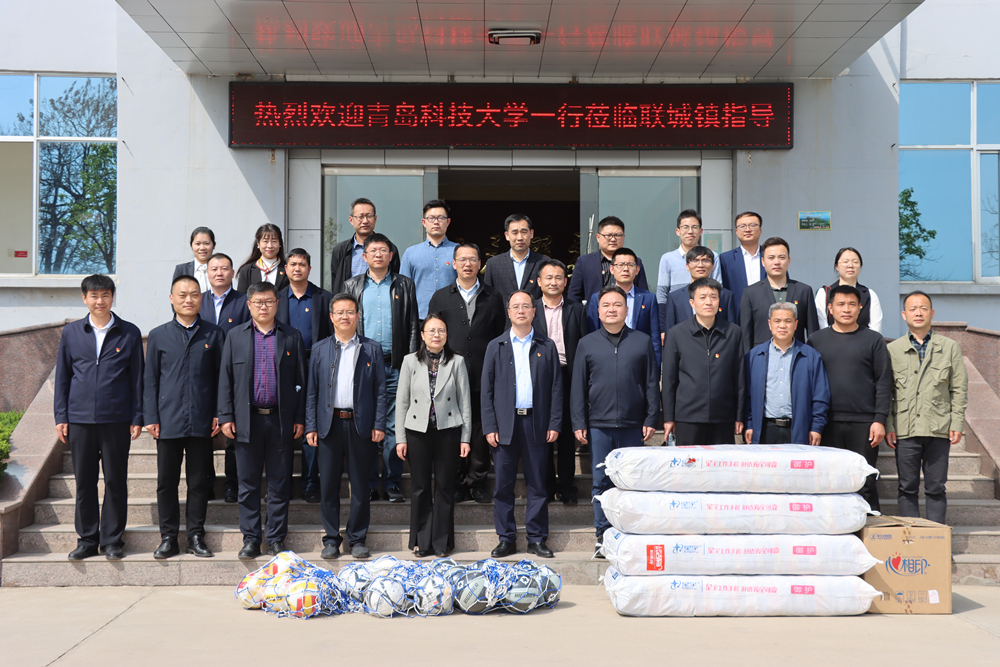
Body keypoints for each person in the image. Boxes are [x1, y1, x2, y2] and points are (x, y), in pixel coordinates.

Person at [54, 275, 144, 561]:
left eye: (105, 295)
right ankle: (87, 540)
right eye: (94, 295)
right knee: (85, 482)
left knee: (115, 481)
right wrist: (61, 416)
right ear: (84, 298)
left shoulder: (129, 332)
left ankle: (112, 540)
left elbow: (137, 379)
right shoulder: (71, 333)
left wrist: (137, 416)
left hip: (116, 419)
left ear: (112, 297)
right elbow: (63, 377)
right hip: (79, 420)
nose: (100, 301)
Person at [218, 282, 306, 560]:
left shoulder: (291, 336)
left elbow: (301, 381)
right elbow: (225, 380)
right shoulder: (235, 336)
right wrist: (226, 416)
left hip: (280, 421)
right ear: (249, 305)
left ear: (277, 304)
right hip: (247, 421)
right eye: (258, 302)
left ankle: (276, 538)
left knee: (280, 483)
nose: (264, 307)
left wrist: (300, 418)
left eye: (269, 301)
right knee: (248, 484)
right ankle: (251, 539)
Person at [572, 286, 659, 556]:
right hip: (599, 425)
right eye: (606, 305)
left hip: (633, 425)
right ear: (598, 311)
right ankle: (602, 534)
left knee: (632, 482)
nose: (612, 309)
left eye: (617, 304)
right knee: (601, 481)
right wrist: (579, 422)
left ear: (627, 309)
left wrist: (651, 417)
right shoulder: (587, 343)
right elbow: (578, 387)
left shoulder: (642, 341)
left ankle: (630, 532)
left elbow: (651, 382)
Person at [144, 275, 224, 559]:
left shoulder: (214, 334)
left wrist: (219, 413)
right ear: (171, 299)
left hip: (202, 420)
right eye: (182, 294)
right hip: (168, 420)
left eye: (194, 294)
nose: (188, 299)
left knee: (199, 482)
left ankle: (195, 536)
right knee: (166, 482)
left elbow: (222, 378)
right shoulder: (159, 335)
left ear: (201, 299)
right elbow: (150, 380)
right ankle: (168, 538)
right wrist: (151, 416)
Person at [305, 293, 388, 560]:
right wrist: (311, 426)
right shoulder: (320, 349)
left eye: (350, 312)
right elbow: (312, 392)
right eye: (339, 312)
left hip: (360, 425)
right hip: (329, 425)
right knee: (329, 486)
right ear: (331, 317)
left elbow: (380, 391)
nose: (345, 317)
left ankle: (358, 538)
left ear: (358, 316)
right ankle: (331, 539)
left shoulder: (371, 349)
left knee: (361, 487)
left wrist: (379, 423)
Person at [482, 291, 562, 559]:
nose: (520, 310)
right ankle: (506, 538)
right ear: (508, 312)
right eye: (515, 306)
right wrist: (489, 426)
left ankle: (536, 539)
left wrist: (554, 422)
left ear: (533, 311)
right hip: (505, 425)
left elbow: (556, 388)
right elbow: (486, 391)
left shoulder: (546, 345)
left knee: (538, 484)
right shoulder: (496, 345)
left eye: (526, 306)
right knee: (503, 486)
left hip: (536, 424)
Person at [428, 243, 507, 504]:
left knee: (480, 430)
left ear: (480, 264)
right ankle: (455, 482)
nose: (467, 264)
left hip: (484, 374)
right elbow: (432, 335)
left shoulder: (493, 296)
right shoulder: (441, 297)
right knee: (452, 429)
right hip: (449, 375)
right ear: (453, 264)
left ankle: (477, 482)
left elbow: (501, 336)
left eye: (472, 259)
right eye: (462, 259)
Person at [343, 233, 419, 503]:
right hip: (362, 366)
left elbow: (413, 325)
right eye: (373, 251)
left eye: (383, 250)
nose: (378, 255)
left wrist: (410, 363)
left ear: (391, 255)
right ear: (364, 256)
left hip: (395, 365)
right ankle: (367, 484)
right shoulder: (352, 285)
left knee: (394, 427)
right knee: (363, 425)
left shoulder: (404, 284)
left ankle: (392, 483)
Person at [807, 284, 891, 512]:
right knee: (829, 481)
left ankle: (869, 527)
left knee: (865, 481)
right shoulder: (816, 340)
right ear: (830, 308)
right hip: (827, 423)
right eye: (841, 304)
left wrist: (879, 419)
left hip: (864, 423)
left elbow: (884, 381)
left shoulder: (874, 340)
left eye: (852, 304)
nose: (846, 309)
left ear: (860, 308)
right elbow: (808, 383)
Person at [886, 291, 968, 524]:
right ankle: (912, 537)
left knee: (936, 487)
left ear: (932, 313)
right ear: (904, 315)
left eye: (923, 308)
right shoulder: (893, 349)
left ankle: (936, 535)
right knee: (907, 487)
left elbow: (959, 388)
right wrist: (889, 425)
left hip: (938, 428)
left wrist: (956, 422)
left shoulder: (949, 347)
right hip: (905, 429)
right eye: (913, 309)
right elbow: (887, 392)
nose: (918, 313)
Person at [395, 315, 472, 557]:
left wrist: (465, 438)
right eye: (431, 330)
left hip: (448, 430)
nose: (436, 335)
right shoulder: (409, 361)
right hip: (417, 431)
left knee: (444, 487)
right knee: (419, 487)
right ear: (422, 335)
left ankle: (441, 543)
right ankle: (422, 541)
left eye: (441, 330)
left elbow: (465, 402)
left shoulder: (457, 362)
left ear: (447, 335)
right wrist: (400, 438)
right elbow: (402, 402)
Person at [276, 248, 334, 504]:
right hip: (283, 366)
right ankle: (283, 484)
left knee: (312, 424)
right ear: (285, 269)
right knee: (284, 424)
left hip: (316, 363)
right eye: (293, 264)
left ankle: (310, 483)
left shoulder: (324, 298)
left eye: (302, 264)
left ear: (310, 268)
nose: (297, 268)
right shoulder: (276, 299)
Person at [662, 278, 745, 446]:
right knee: (688, 462)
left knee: (721, 462)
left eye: (713, 297)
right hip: (687, 417)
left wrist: (739, 415)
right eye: (702, 297)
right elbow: (669, 379)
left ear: (719, 301)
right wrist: (669, 417)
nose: (708, 302)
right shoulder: (677, 333)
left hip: (723, 417)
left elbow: (740, 378)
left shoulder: (733, 333)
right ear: (692, 302)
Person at [533, 259, 589, 504]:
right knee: (542, 431)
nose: (553, 282)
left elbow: (585, 344)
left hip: (568, 375)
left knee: (566, 433)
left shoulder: (577, 309)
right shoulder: (531, 309)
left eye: (558, 277)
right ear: (539, 282)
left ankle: (567, 486)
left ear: (566, 282)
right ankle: (546, 485)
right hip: (538, 378)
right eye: (549, 277)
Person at [199, 252, 249, 504]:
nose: (219, 273)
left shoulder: (244, 301)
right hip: (203, 375)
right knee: (203, 432)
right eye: (214, 269)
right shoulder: (198, 300)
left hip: (235, 374)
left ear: (233, 273)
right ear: (207, 273)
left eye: (224, 268)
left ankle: (232, 485)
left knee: (232, 431)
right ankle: (206, 483)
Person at [744, 302, 830, 446]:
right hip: (765, 429)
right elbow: (747, 395)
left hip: (799, 429)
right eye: (777, 321)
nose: (782, 326)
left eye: (788, 321)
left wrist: (816, 427)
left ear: (796, 324)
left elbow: (820, 396)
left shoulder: (811, 356)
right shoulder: (755, 356)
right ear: (770, 324)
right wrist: (750, 423)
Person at [739, 236, 819, 354]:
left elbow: (813, 332)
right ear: (763, 262)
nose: (777, 262)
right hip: (762, 357)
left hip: (796, 356)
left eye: (781, 257)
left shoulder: (804, 291)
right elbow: (745, 334)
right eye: (771, 258)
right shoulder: (750, 293)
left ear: (789, 261)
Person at [587, 247, 661, 366]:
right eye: (620, 265)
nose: (625, 269)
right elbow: (592, 334)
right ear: (612, 269)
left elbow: (655, 339)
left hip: (638, 359)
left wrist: (655, 370)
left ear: (637, 270)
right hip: (605, 359)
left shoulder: (649, 298)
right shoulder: (598, 298)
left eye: (630, 265)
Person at [655, 209, 723, 328]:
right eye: (685, 227)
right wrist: (662, 326)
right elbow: (662, 294)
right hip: (679, 317)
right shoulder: (667, 258)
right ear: (678, 231)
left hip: (708, 319)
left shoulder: (713, 257)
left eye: (694, 227)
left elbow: (718, 288)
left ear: (701, 231)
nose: (690, 231)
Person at [567, 215, 649, 304]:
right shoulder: (584, 262)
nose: (613, 239)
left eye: (617, 235)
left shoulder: (635, 262)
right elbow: (574, 295)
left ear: (623, 237)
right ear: (598, 237)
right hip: (594, 312)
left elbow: (643, 294)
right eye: (608, 235)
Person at [400, 199, 459, 319]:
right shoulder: (410, 253)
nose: (436, 222)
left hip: (452, 315)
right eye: (431, 218)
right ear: (424, 222)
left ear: (448, 222)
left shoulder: (459, 251)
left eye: (441, 218)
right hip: (420, 316)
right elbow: (403, 289)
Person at [329, 197, 401, 295]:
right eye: (360, 216)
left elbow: (396, 280)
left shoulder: (389, 249)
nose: (365, 221)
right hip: (350, 302)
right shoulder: (340, 250)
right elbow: (336, 284)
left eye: (369, 216)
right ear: (351, 220)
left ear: (375, 219)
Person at [663, 246, 737, 333]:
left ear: (713, 266)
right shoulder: (675, 297)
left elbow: (731, 330)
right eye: (695, 261)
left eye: (706, 260)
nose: (700, 265)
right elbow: (670, 331)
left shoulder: (726, 295)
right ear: (687, 266)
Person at [483, 214, 550, 304]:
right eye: (515, 233)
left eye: (524, 232)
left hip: (535, 313)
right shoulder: (493, 264)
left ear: (531, 233)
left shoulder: (544, 262)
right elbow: (488, 298)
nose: (520, 238)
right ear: (507, 235)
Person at [815, 247, 884, 333]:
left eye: (855, 262)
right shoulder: (824, 293)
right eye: (845, 261)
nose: (850, 265)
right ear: (836, 266)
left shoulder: (869, 294)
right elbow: (821, 325)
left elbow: (876, 328)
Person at [717, 211, 766, 317]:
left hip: (767, 314)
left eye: (752, 225)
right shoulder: (726, 258)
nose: (747, 229)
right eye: (742, 226)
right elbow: (724, 290)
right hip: (738, 315)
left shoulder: (770, 256)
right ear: (736, 231)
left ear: (760, 230)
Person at [236, 223, 289, 293]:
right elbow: (242, 297)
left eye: (274, 241)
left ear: (280, 243)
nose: (270, 246)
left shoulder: (287, 269)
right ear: (258, 243)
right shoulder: (247, 270)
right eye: (265, 241)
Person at [172, 226, 215, 292]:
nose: (202, 248)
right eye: (197, 244)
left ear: (214, 245)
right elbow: (175, 295)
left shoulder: (220, 270)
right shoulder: (181, 269)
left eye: (206, 243)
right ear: (191, 245)